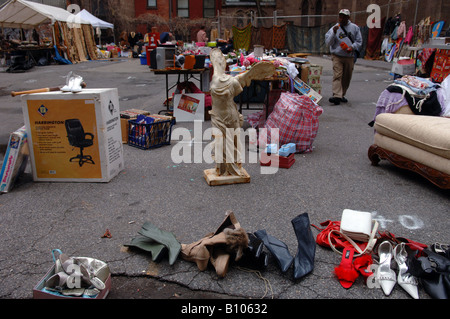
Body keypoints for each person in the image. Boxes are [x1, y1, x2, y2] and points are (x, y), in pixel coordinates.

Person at [325, 9, 362, 105]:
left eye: (344, 17)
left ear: (348, 17)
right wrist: (333, 32)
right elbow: (328, 43)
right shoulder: (334, 28)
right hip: (337, 55)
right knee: (337, 75)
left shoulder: (354, 28)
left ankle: (342, 94)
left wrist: (352, 47)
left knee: (346, 77)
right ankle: (336, 95)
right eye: (340, 16)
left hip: (349, 56)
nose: (342, 18)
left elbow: (359, 41)